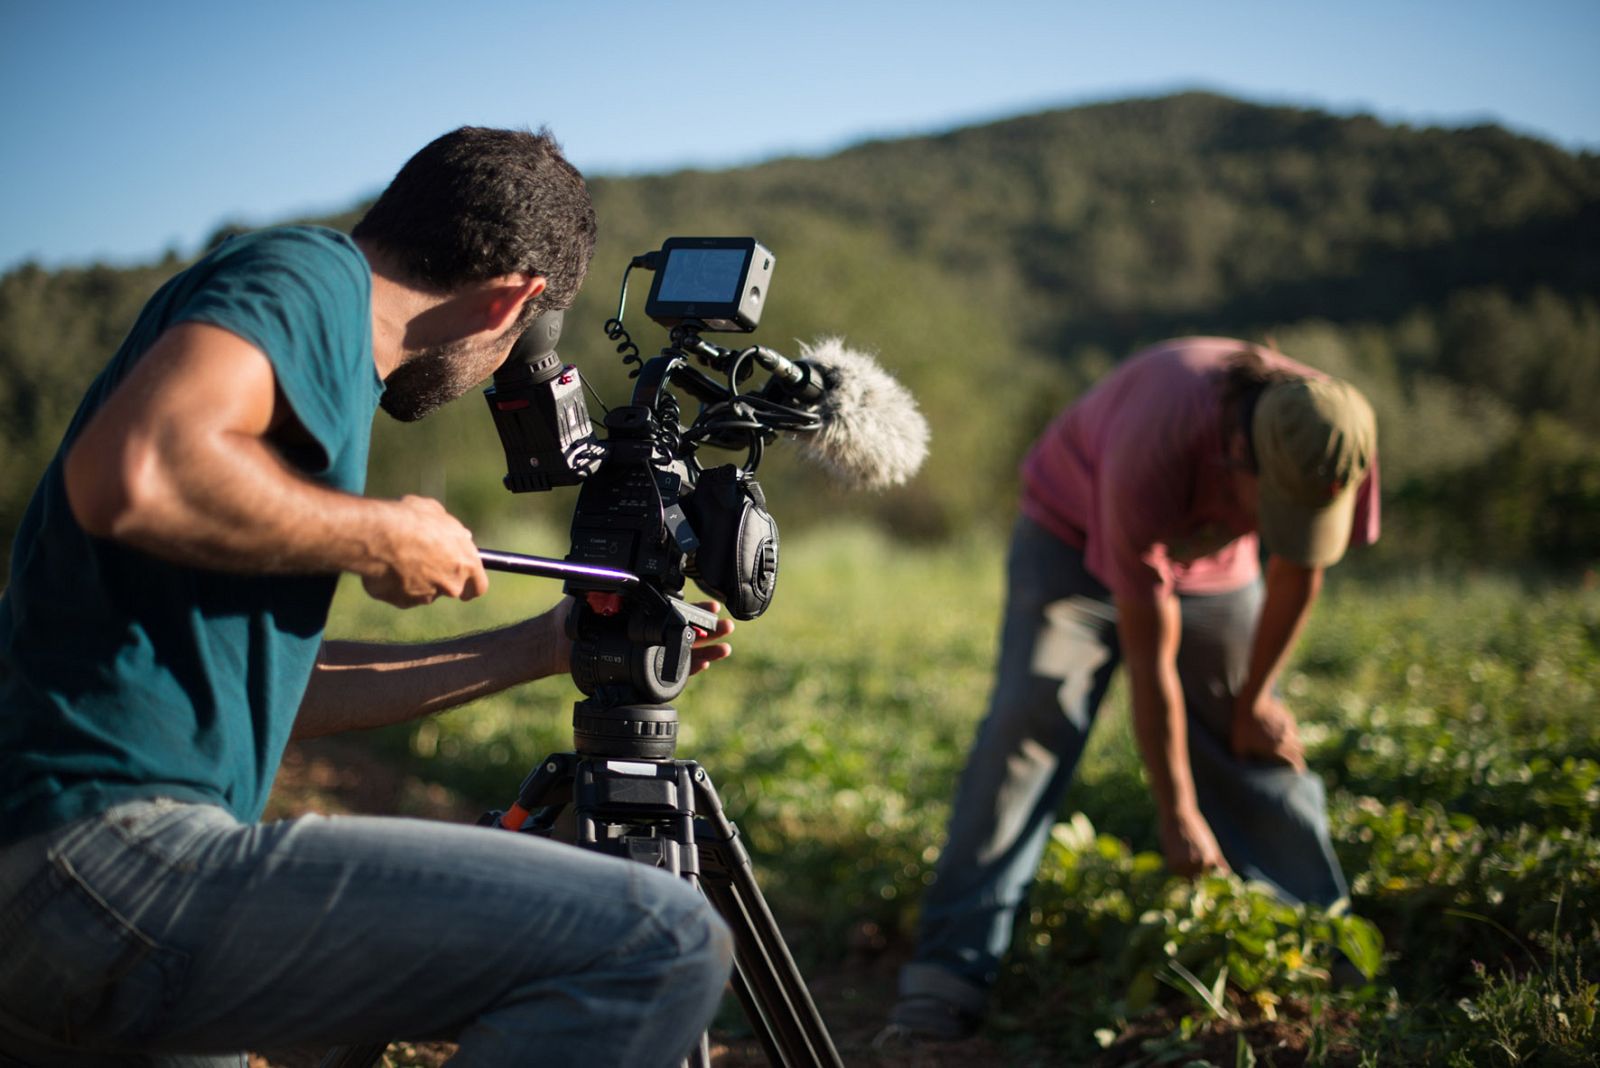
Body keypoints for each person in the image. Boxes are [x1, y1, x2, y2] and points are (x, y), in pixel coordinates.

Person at [0, 126, 736, 1067]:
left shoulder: (306, 361)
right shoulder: (309, 278)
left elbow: (277, 690)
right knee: (658, 941)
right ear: (515, 300)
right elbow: (133, 471)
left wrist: (541, 647)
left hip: (60, 894)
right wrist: (375, 532)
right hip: (100, 860)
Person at [883, 336, 1380, 1042]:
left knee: (1255, 742)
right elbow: (1152, 659)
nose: (1282, 526)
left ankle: (1326, 969)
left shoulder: (1336, 434)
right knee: (1030, 724)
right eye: (1275, 505)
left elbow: (1301, 569)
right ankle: (946, 978)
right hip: (1071, 534)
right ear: (1240, 458)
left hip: (1213, 566)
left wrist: (1253, 701)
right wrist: (1176, 812)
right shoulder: (1162, 439)